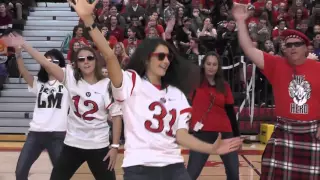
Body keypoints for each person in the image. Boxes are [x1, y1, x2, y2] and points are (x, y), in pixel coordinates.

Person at [67, 0, 243, 180]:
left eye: (168, 57)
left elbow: (181, 135)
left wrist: (211, 148)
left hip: (174, 166)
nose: (166, 61)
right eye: (160, 56)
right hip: (140, 167)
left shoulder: (176, 93)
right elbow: (110, 56)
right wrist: (89, 21)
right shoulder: (132, 82)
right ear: (146, 59)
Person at [1, 33, 122, 180]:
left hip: (95, 143)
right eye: (81, 59)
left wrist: (115, 146)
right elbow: (45, 63)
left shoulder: (106, 84)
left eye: (90, 58)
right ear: (76, 63)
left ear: (96, 60)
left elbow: (116, 116)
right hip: (70, 142)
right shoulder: (69, 77)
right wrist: (24, 45)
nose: (86, 62)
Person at [232, 3, 320, 179]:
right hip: (284, 131)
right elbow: (249, 49)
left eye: (297, 44)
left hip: (312, 133)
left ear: (306, 48)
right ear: (284, 49)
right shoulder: (276, 65)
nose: (293, 47)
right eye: (288, 45)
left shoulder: (317, 68)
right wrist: (240, 22)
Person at [14, 48, 68, 180]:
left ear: (60, 63)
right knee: (20, 171)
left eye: (52, 61)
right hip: (36, 133)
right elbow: (24, 71)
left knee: (61, 174)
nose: (48, 63)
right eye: (45, 61)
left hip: (58, 134)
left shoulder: (67, 81)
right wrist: (18, 54)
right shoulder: (39, 82)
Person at [187, 51, 240, 180]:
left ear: (218, 67)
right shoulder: (194, 84)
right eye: (208, 64)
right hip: (201, 135)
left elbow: (230, 113)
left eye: (214, 64)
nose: (211, 67)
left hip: (225, 135)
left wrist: (237, 136)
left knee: (234, 174)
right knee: (190, 174)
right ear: (203, 65)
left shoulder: (225, 86)